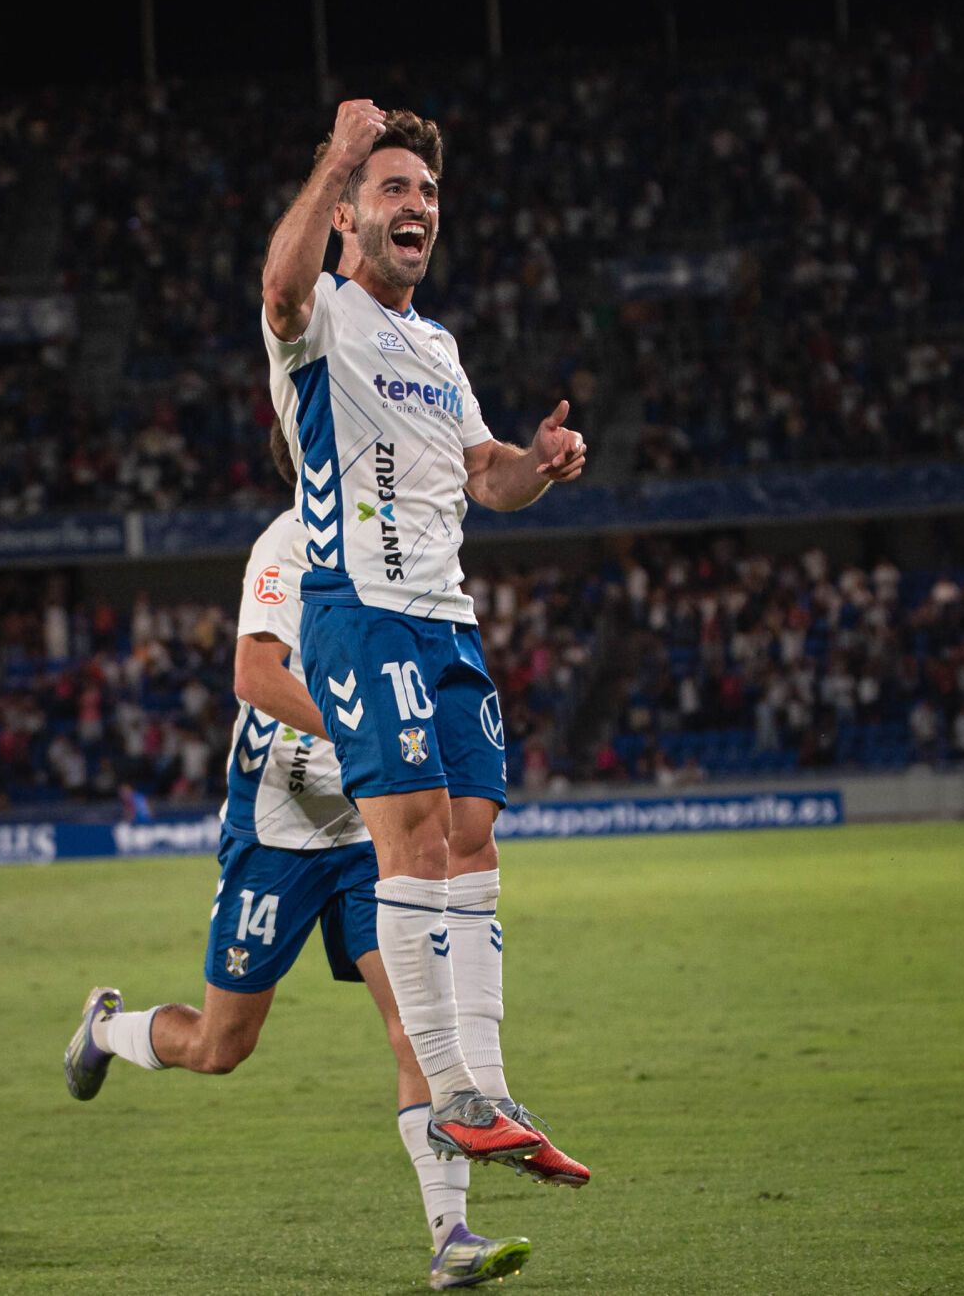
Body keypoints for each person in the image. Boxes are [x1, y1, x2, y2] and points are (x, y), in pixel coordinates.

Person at [64, 482, 536, 1288]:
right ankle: (105, 1029)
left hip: (367, 832)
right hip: (277, 830)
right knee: (224, 1045)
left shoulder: (407, 547)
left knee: (416, 1023)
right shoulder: (290, 541)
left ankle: (450, 1233)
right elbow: (255, 674)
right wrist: (365, 731)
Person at [259, 99, 589, 1180]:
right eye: (394, 189)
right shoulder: (316, 319)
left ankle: (490, 1090)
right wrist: (336, 157)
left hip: (447, 619)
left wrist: (534, 464)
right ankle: (447, 1089)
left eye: (428, 192)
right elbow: (275, 285)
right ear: (349, 217)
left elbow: (482, 472)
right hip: (359, 610)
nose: (418, 208)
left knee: (474, 835)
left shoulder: (437, 347)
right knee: (405, 834)